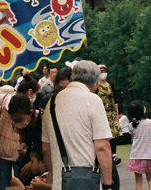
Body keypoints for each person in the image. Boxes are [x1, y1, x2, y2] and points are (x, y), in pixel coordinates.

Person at [41, 59, 113, 190]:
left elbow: (46, 149)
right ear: (96, 85)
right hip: (88, 181)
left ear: (72, 77)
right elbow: (102, 146)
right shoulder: (93, 101)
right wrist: (108, 184)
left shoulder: (51, 104)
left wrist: (55, 175)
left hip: (60, 182)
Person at [122, 100, 151, 190]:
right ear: (143, 110)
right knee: (150, 178)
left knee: (138, 181)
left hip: (136, 156)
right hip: (149, 156)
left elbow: (134, 136)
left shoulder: (131, 125)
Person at [97, 64, 122, 190]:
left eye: (104, 70)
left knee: (113, 135)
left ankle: (113, 153)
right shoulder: (96, 85)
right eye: (101, 70)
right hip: (102, 113)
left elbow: (115, 100)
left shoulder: (110, 84)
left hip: (111, 113)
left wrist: (116, 114)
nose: (103, 72)